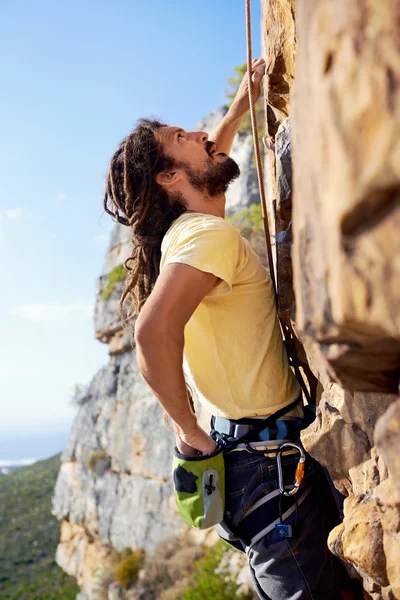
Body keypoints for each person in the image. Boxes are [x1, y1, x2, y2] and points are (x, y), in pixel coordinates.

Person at [103, 59, 344, 600]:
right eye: (182, 138)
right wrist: (190, 432)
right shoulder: (204, 238)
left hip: (258, 470)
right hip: (271, 476)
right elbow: (150, 334)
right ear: (169, 177)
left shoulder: (195, 229)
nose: (201, 135)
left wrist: (239, 110)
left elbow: (209, 156)